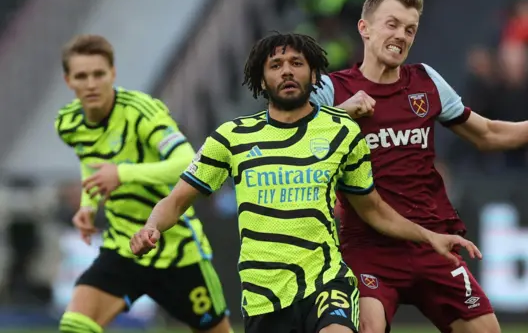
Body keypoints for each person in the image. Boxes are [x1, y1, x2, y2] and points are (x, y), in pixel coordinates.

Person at [130, 32, 481, 333]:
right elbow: (176, 201)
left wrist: (429, 235)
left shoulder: (342, 132)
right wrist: (151, 227)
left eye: (297, 63)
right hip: (263, 295)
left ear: (315, 75)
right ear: (261, 78)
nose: (286, 71)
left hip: (325, 281)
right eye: (275, 65)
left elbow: (373, 209)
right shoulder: (231, 137)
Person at [310, 0, 528, 333]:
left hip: (432, 242)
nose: (401, 36)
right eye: (392, 24)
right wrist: (342, 114)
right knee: (367, 327)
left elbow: (486, 134)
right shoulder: (333, 90)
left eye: (410, 29)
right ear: (365, 28)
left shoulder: (426, 82)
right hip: (367, 247)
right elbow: (289, 135)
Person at [55, 35, 232, 333]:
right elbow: (90, 160)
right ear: (68, 80)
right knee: (75, 326)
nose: (91, 83)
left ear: (112, 74)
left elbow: (186, 160)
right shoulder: (69, 122)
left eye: (98, 74)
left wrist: (122, 174)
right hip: (123, 247)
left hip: (176, 249)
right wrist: (88, 204)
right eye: (81, 76)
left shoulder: (142, 112)